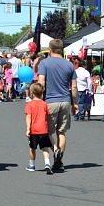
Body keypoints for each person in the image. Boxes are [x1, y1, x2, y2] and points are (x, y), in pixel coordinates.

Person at [37, 39, 77, 171]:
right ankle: (59, 160)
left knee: (48, 131)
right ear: (62, 49)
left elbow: (41, 82)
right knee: (62, 131)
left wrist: (38, 99)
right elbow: (74, 87)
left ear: (50, 49)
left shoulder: (45, 63)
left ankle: (55, 149)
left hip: (50, 101)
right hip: (65, 101)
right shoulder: (69, 65)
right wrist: (75, 103)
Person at [24, 82, 53, 174]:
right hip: (43, 129)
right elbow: (48, 116)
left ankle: (31, 165)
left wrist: (28, 128)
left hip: (34, 130)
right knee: (45, 148)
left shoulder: (30, 105)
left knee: (32, 148)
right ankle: (47, 163)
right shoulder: (44, 104)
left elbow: (28, 117)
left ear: (31, 92)